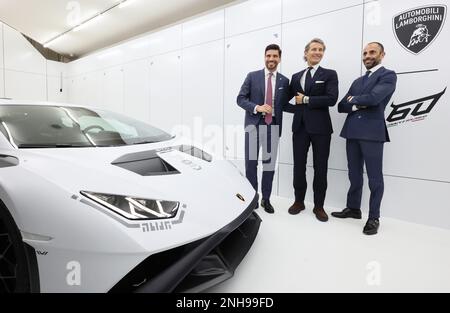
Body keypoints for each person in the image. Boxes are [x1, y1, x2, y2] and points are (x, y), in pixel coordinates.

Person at [332, 42, 397, 235]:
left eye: (372, 52)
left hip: (372, 133)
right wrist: (355, 103)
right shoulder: (358, 80)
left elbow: (374, 99)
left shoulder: (387, 75)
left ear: (382, 54)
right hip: (352, 131)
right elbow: (341, 106)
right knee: (354, 174)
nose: (368, 56)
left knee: (375, 178)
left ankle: (374, 217)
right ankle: (353, 208)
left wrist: (355, 100)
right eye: (365, 53)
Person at [286, 38, 339, 222]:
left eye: (321, 49)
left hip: (321, 128)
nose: (318, 52)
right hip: (300, 127)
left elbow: (332, 99)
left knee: (320, 168)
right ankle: (298, 201)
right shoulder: (295, 76)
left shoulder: (329, 74)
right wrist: (297, 109)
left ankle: (319, 206)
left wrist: (306, 100)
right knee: (298, 167)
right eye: (314, 49)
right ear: (306, 52)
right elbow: (286, 101)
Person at [237, 44, 290, 214]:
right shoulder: (252, 77)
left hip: (272, 127)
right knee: (251, 165)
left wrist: (307, 103)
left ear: (279, 58)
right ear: (264, 57)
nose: (271, 59)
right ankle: (253, 198)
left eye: (275, 56)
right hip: (254, 127)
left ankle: (266, 199)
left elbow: (285, 104)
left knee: (269, 166)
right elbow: (240, 99)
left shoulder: (284, 81)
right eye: (268, 56)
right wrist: (257, 107)